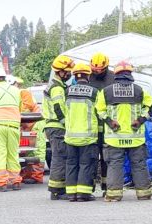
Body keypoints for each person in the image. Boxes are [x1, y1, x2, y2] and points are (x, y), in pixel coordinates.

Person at [95, 60, 152, 202]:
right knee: (139, 164)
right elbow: (150, 107)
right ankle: (144, 193)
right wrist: (139, 120)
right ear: (130, 74)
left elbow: (99, 110)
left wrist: (110, 122)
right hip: (135, 137)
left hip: (115, 137)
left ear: (116, 74)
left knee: (115, 164)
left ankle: (114, 195)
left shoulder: (106, 91)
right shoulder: (139, 90)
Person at [63, 63, 99, 202]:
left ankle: (71, 194)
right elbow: (100, 112)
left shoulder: (67, 91)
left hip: (70, 136)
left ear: (75, 76)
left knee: (71, 164)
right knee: (86, 164)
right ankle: (83, 194)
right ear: (88, 75)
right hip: (88, 137)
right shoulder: (95, 92)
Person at [42, 55, 75, 199]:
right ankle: (57, 191)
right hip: (57, 127)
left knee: (59, 156)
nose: (69, 74)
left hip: (53, 127)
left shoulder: (58, 86)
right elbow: (58, 108)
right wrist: (67, 124)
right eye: (67, 72)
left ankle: (58, 189)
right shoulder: (56, 88)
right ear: (60, 71)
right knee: (60, 157)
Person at [7, 75, 44, 184]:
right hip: (27, 124)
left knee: (38, 151)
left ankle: (37, 176)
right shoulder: (15, 94)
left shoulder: (23, 93)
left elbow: (26, 108)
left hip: (35, 123)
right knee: (29, 153)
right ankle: (29, 175)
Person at [88, 52, 115, 194]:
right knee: (91, 159)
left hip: (107, 127)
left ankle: (106, 187)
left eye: (100, 70)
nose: (97, 72)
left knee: (107, 159)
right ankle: (89, 187)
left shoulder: (113, 78)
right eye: (94, 70)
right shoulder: (86, 77)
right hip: (91, 127)